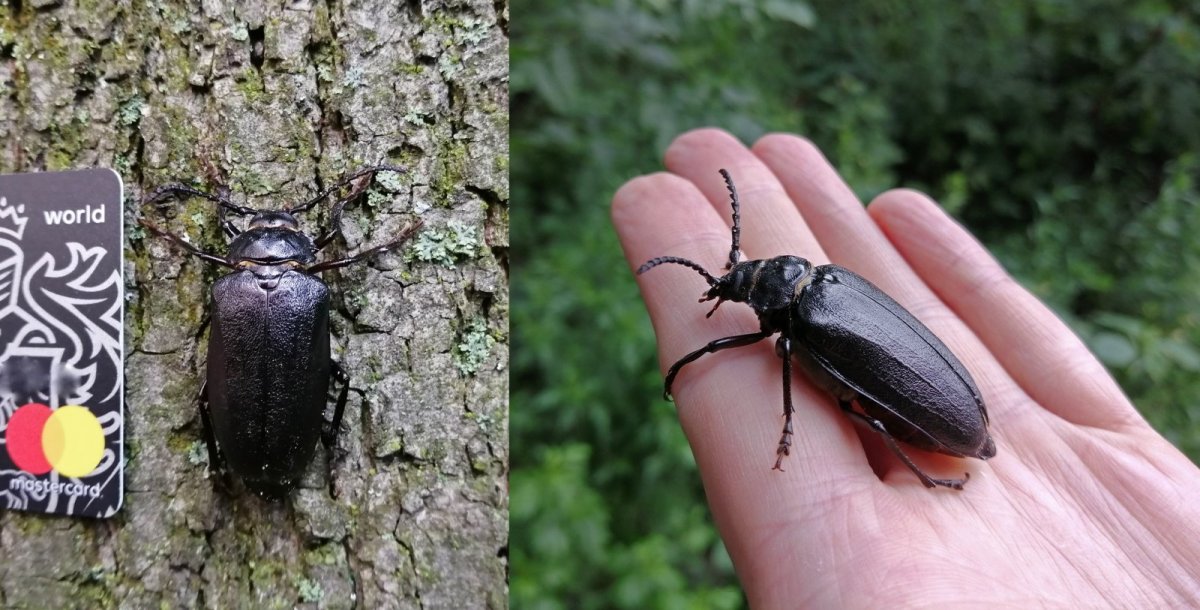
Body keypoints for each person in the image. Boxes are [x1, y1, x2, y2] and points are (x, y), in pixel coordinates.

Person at [611, 128, 1200, 607]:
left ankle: (928, 476)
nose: (728, 289)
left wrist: (716, 371)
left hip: (945, 416)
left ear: (760, 292)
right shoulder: (827, 279)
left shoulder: (801, 319)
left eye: (735, 287)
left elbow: (781, 356)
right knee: (833, 390)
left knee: (866, 415)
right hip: (956, 396)